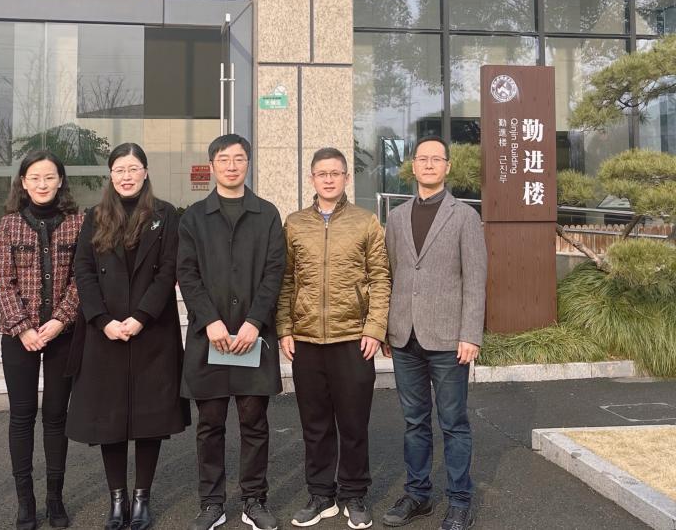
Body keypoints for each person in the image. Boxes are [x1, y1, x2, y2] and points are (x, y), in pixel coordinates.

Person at [67, 142, 190, 530]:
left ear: (145, 172)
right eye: (119, 169)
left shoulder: (165, 215)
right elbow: (83, 271)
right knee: (111, 421)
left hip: (152, 331)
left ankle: (141, 499)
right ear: (110, 175)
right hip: (105, 333)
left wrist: (140, 317)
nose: (126, 176)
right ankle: (117, 500)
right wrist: (102, 320)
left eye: (133, 168)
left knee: (149, 420)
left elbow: (168, 270)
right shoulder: (95, 216)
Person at [177, 134, 287, 530]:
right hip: (209, 336)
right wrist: (210, 320)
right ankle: (212, 503)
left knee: (254, 422)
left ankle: (254, 500)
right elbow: (186, 273)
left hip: (252, 336)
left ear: (248, 163)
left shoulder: (267, 214)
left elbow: (275, 272)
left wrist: (255, 321)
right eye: (223, 159)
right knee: (210, 424)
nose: (231, 166)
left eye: (239, 158)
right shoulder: (194, 217)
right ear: (212, 165)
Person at [277, 147, 391, 529]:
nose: (328, 179)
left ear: (346, 178)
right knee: (315, 424)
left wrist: (374, 327)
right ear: (312, 178)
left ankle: (354, 494)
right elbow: (286, 279)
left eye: (335, 173)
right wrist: (285, 327)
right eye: (321, 173)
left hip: (353, 338)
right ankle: (321, 494)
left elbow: (381, 278)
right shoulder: (294, 224)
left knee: (354, 423)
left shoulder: (365, 222)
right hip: (307, 339)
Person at [380, 136, 487, 530]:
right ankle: (418, 494)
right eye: (421, 158)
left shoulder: (465, 216)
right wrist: (387, 328)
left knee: (453, 422)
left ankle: (459, 501)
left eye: (435, 159)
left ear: (447, 166)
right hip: (404, 336)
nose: (428, 164)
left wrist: (470, 334)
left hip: (448, 337)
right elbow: (390, 274)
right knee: (414, 421)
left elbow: (475, 278)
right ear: (412, 166)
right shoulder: (396, 216)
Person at [0, 150, 84, 530]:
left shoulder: (78, 222)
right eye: (35, 177)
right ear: (24, 182)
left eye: (49, 177)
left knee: (56, 416)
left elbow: (82, 278)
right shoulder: (10, 224)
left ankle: (55, 498)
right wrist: (23, 327)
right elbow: (3, 280)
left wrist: (61, 320)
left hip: (63, 334)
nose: (42, 184)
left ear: (60, 180)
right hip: (19, 336)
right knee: (22, 415)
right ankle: (25, 501)